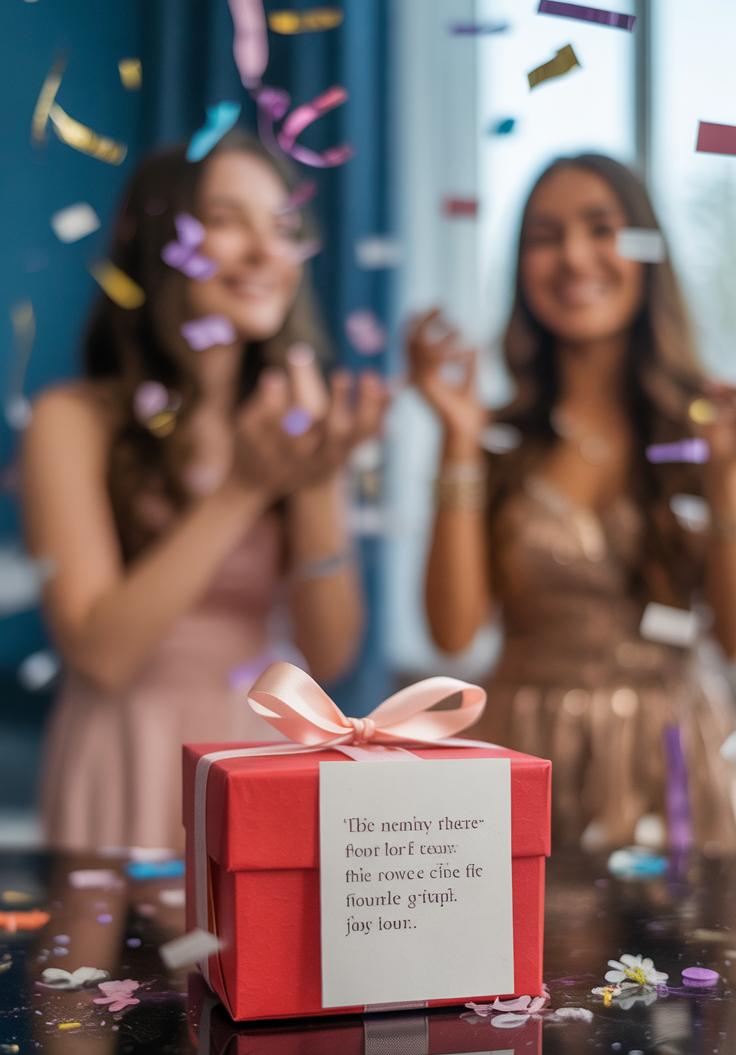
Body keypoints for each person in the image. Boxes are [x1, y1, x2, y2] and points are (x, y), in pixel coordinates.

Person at [22, 130, 388, 852]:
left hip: (257, 754)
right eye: (226, 221)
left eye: (280, 227)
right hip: (124, 753)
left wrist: (313, 483)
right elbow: (100, 652)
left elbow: (332, 650)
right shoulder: (71, 421)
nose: (263, 252)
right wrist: (243, 489)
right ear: (162, 243)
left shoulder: (298, 421)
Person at [408, 152, 736, 850]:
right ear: (523, 271)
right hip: (524, 757)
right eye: (544, 237)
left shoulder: (708, 430)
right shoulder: (496, 439)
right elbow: (453, 632)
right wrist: (458, 439)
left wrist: (727, 486)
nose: (574, 257)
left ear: (649, 253)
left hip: (676, 759)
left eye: (601, 228)